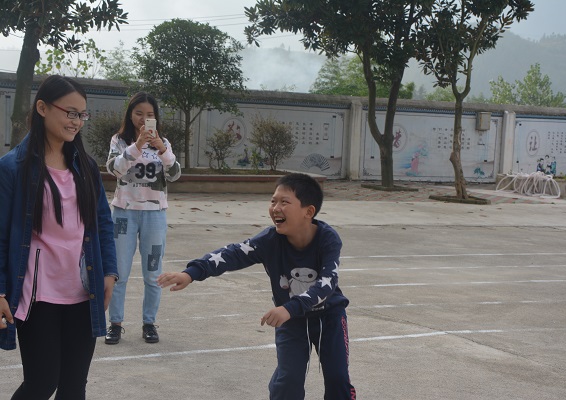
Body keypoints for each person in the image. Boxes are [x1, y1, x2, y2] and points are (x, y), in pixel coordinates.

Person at [158, 173, 357, 399]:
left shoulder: (328, 239)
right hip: (290, 320)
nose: (275, 208)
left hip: (328, 317)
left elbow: (326, 284)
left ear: (308, 211)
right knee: (288, 380)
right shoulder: (269, 241)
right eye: (273, 201)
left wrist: (289, 308)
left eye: (284, 202)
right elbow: (231, 254)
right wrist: (191, 273)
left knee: (338, 378)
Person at [0, 74, 118, 399]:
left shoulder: (86, 167)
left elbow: (102, 223)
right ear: (42, 108)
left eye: (82, 114)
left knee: (73, 387)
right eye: (70, 112)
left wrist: (109, 272)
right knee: (41, 383)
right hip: (38, 297)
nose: (77, 121)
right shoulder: (12, 168)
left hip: (83, 291)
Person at [105, 92, 181, 344]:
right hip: (124, 213)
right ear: (130, 115)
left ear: (156, 117)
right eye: (139, 113)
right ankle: (115, 324)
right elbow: (114, 168)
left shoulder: (163, 143)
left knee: (153, 272)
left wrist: (163, 150)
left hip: (154, 215)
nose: (143, 118)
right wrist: (137, 145)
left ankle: (149, 323)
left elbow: (174, 174)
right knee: (119, 272)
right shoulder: (119, 140)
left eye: (149, 114)